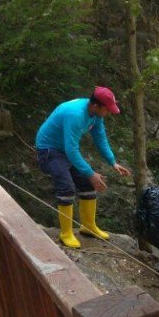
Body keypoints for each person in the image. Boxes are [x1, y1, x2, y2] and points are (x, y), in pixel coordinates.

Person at [35, 87, 131, 249]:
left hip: (65, 149)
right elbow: (71, 149)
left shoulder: (95, 115)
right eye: (107, 109)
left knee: (87, 183)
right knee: (66, 188)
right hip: (49, 150)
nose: (109, 113)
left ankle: (88, 226)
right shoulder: (76, 115)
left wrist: (112, 162)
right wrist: (90, 173)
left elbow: (100, 138)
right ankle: (66, 233)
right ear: (96, 106)